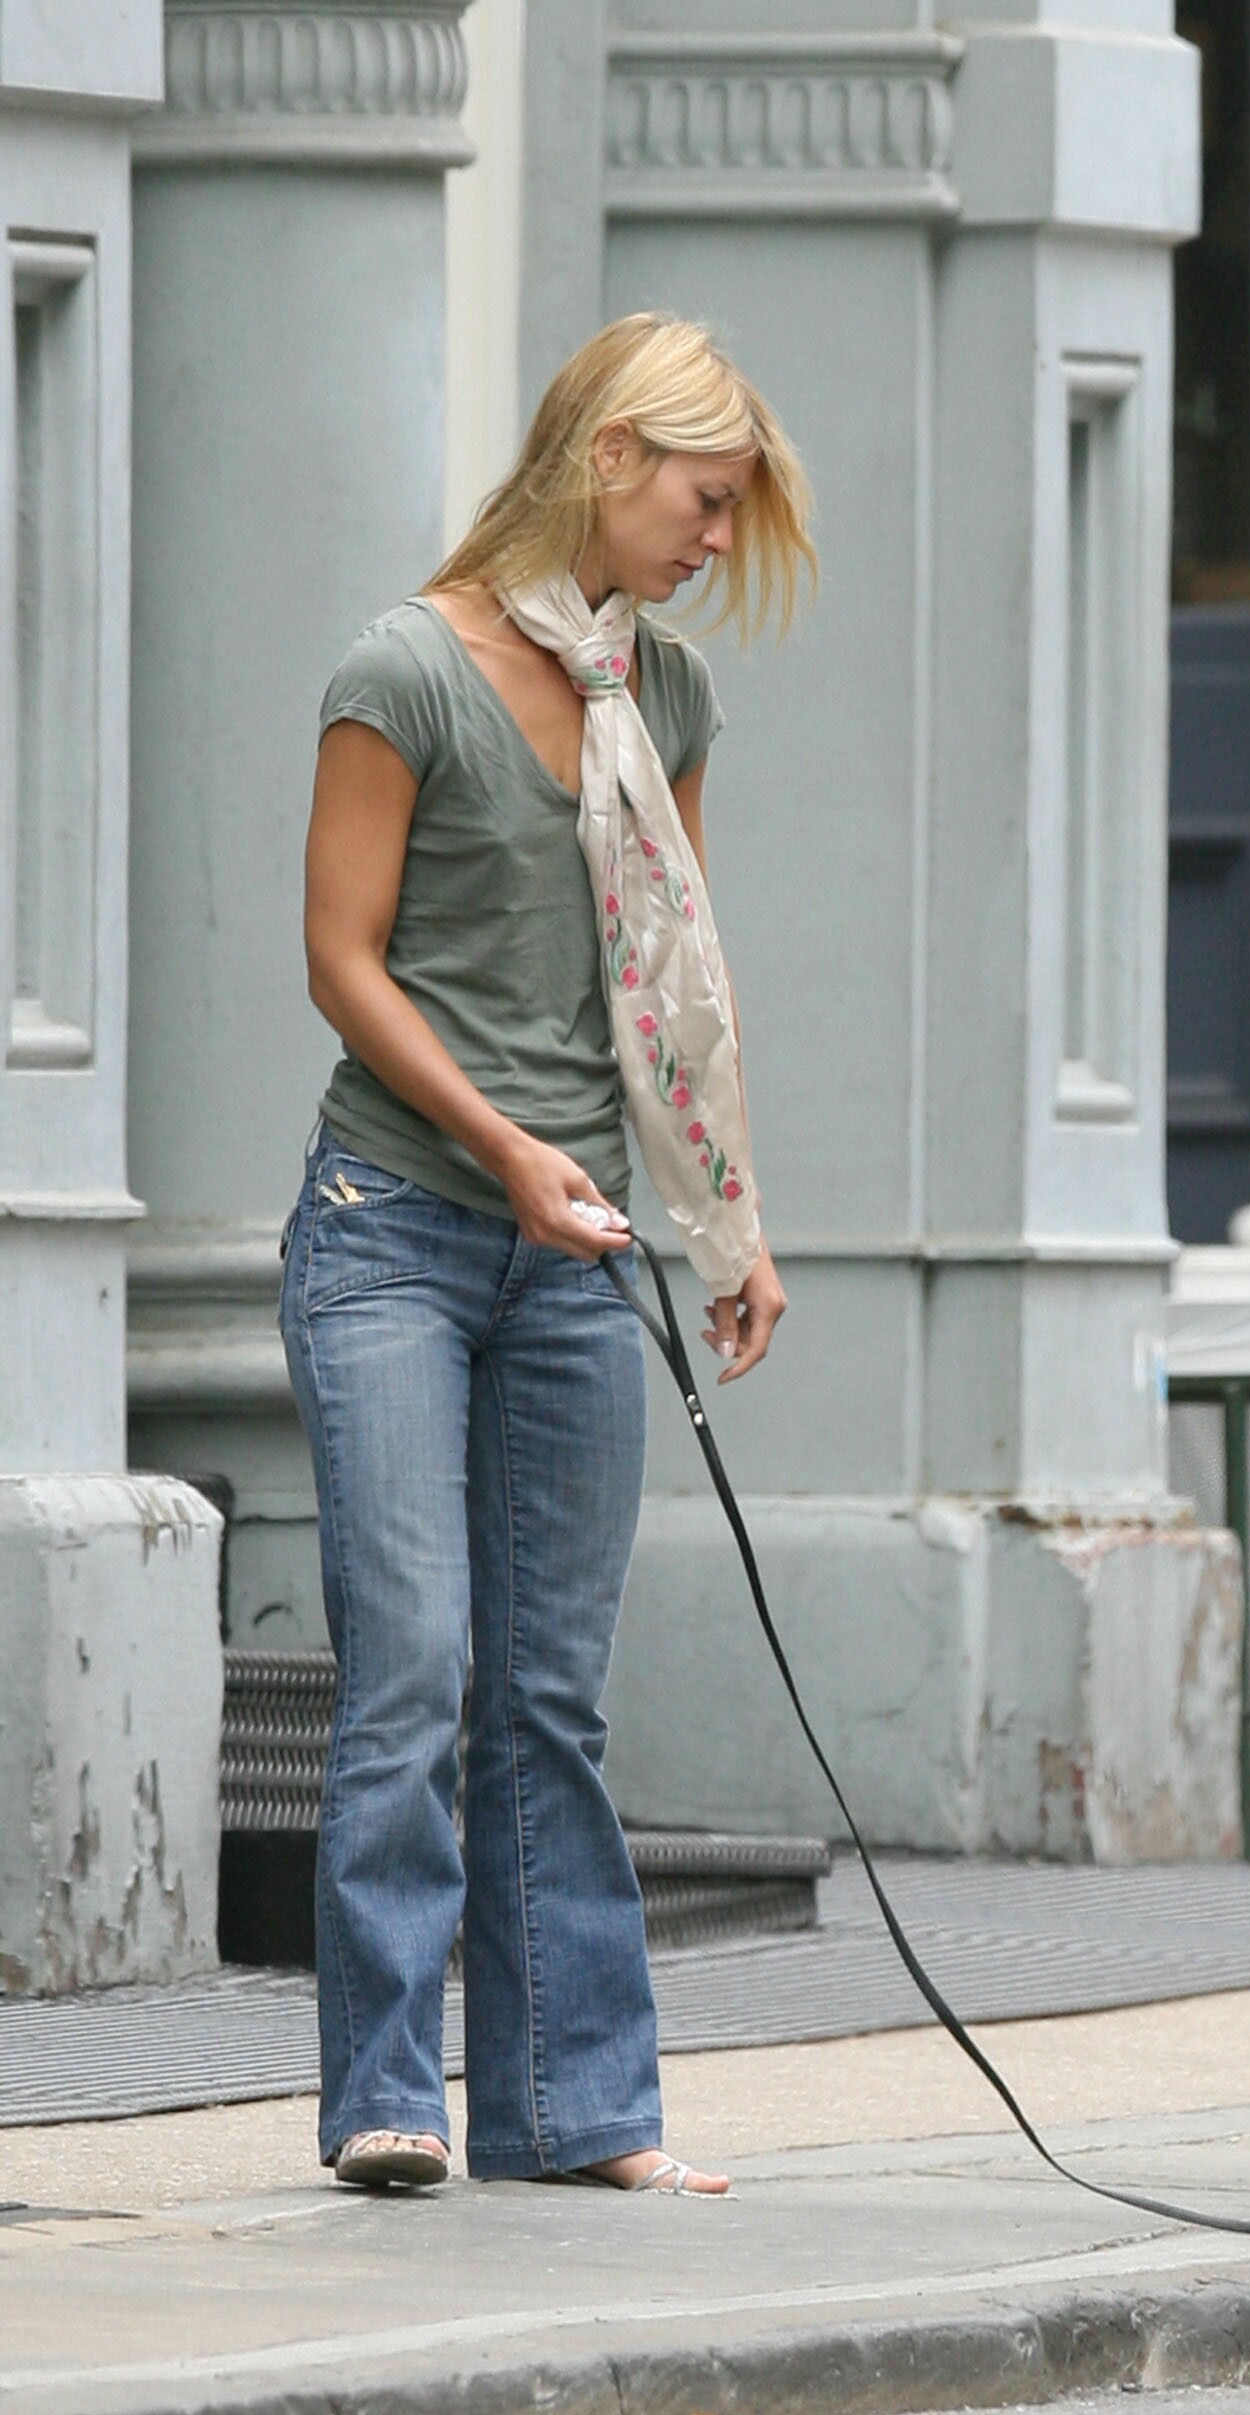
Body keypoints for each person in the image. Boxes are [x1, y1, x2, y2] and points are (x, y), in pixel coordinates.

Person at [278, 314, 814, 2194]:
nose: (717, 543)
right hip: (397, 1235)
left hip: (574, 1252)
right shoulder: (403, 669)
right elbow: (341, 959)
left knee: (550, 1698)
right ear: (606, 459)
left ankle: (576, 2113)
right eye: (706, 500)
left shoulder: (662, 699)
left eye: (733, 514)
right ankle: (387, 2092)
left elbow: (663, 985)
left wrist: (725, 1218)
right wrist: (502, 1149)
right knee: (416, 1665)